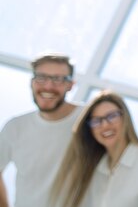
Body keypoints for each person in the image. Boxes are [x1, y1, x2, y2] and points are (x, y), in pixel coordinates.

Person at [50, 90, 138, 207]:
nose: (105, 125)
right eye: (96, 121)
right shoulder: (95, 169)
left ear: (125, 118)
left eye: (112, 116)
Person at [0, 53, 82, 207]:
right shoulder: (15, 128)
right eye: (41, 77)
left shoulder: (90, 120)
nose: (48, 86)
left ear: (70, 85)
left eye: (58, 79)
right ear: (32, 82)